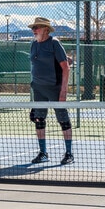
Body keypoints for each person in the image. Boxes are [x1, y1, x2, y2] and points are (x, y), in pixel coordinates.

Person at [28, 17, 74, 165]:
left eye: (37, 27)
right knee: (39, 120)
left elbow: (65, 67)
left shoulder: (54, 43)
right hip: (38, 89)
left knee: (63, 120)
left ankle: (69, 154)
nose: (34, 30)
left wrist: (63, 92)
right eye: (33, 28)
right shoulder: (33, 45)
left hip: (55, 89)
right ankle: (43, 153)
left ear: (46, 29)